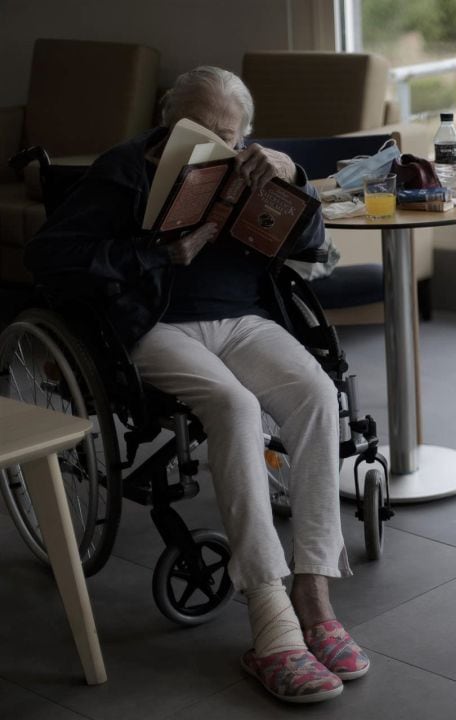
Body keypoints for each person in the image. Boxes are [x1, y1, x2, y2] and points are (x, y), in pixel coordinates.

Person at [24, 66, 366, 704]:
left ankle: (314, 593)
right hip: (155, 324)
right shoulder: (124, 168)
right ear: (166, 117)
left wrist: (292, 178)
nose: (214, 144)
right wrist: (159, 254)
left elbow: (313, 246)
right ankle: (271, 620)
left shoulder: (257, 165)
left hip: (243, 319)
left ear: (245, 134)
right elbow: (50, 256)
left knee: (318, 394)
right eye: (196, 129)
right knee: (235, 407)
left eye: (227, 136)